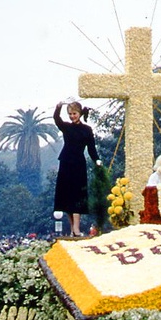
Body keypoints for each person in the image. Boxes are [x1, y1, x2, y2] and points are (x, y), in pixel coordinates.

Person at [53, 101, 102, 236]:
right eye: (70, 114)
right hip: (65, 163)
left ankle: (76, 228)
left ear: (79, 113)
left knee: (77, 196)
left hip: (79, 165)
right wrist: (58, 108)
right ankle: (73, 229)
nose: (72, 116)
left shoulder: (87, 130)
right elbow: (57, 120)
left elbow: (91, 149)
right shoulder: (66, 127)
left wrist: (97, 160)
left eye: (74, 114)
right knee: (67, 197)